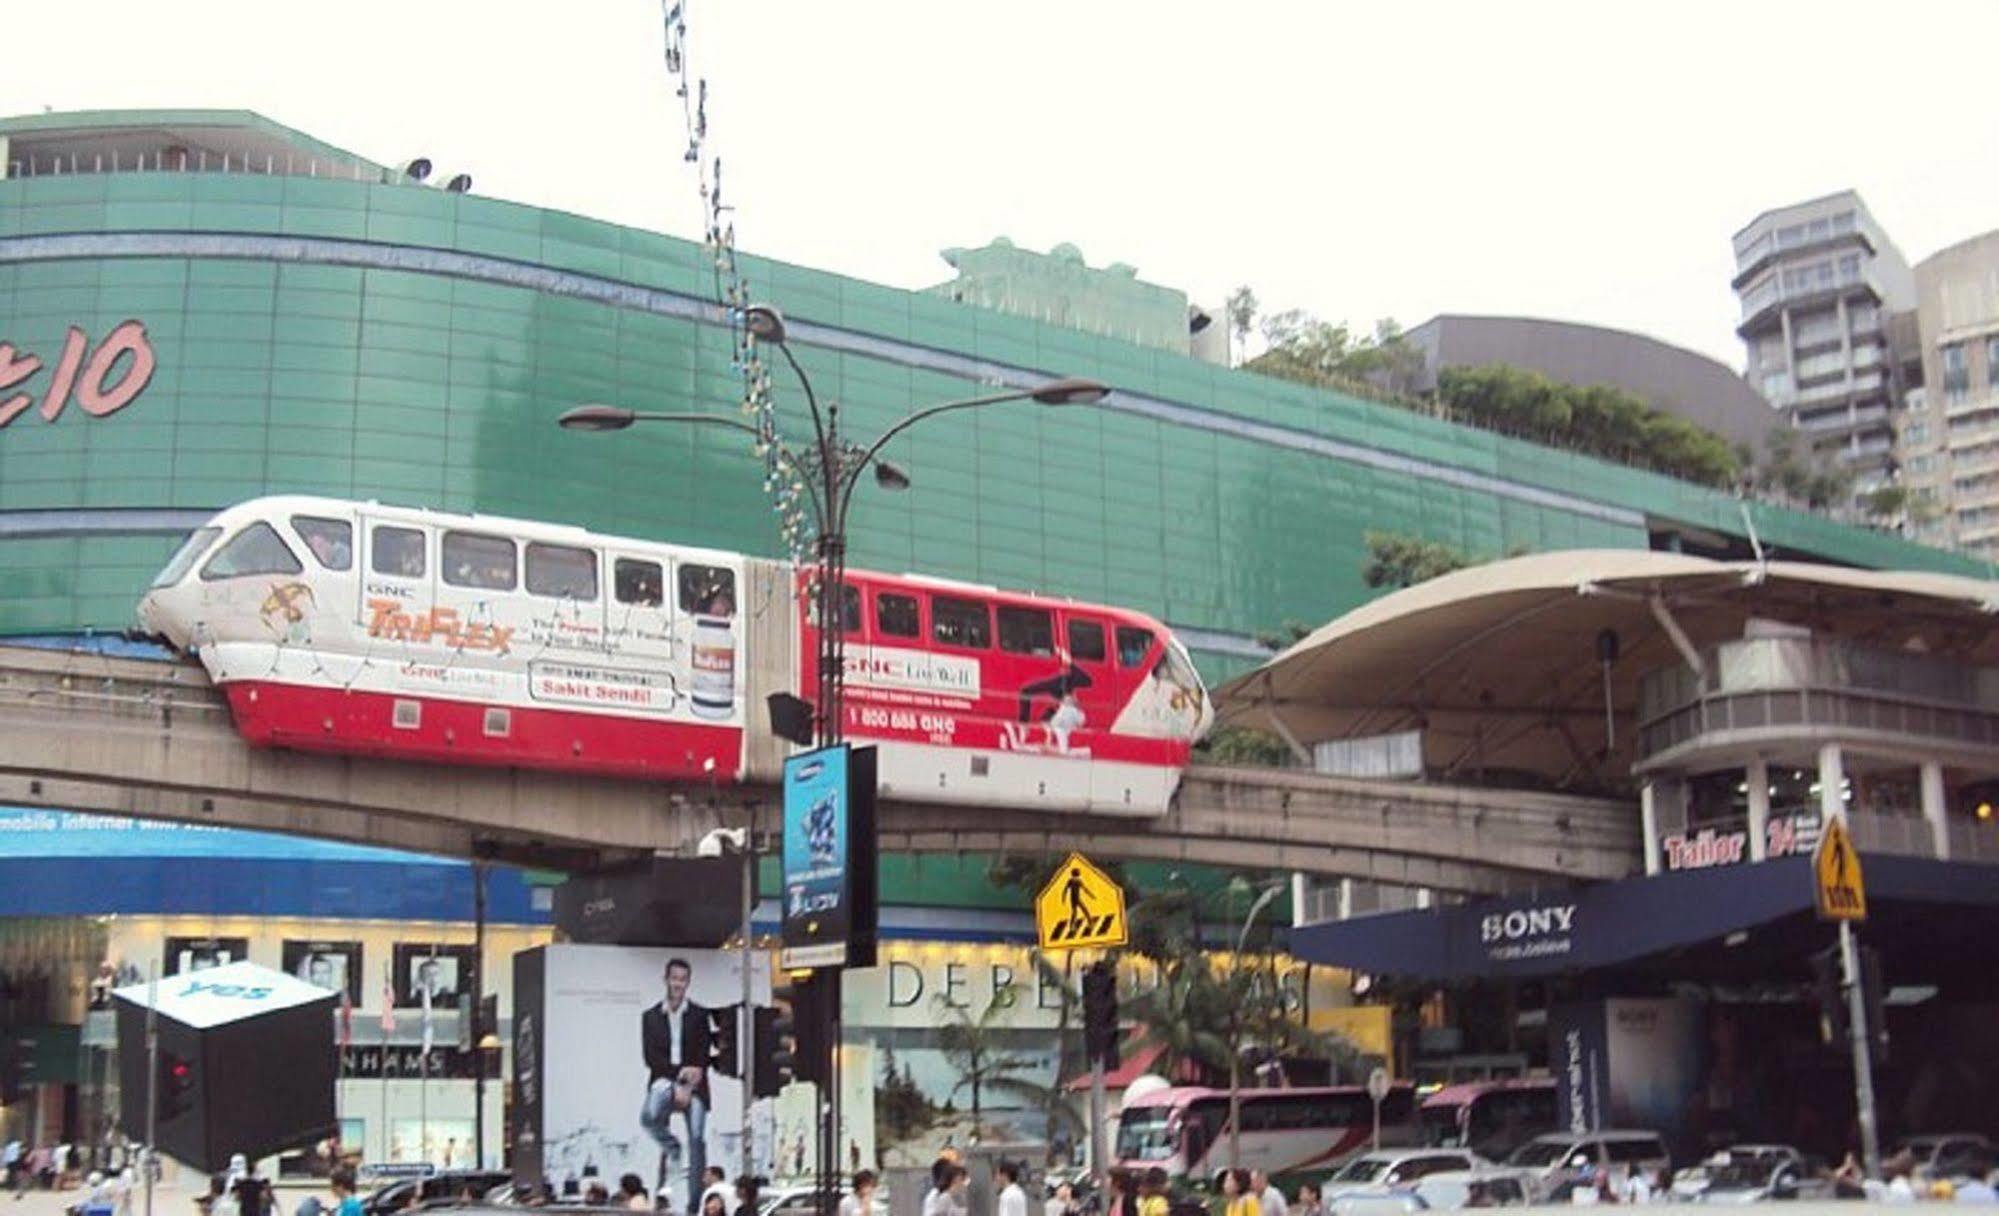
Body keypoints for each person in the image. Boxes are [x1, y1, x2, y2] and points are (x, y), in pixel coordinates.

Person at [640, 958, 711, 1206]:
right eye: (674, 978)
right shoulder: (650, 1017)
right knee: (649, 1114)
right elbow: (652, 1059)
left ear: (688, 982)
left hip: (695, 1087)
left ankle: (695, 1203)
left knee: (698, 1138)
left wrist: (689, 1087)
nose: (678, 984)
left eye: (683, 979)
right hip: (665, 1081)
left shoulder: (700, 1015)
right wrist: (680, 1075)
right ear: (666, 979)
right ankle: (671, 1149)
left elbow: (703, 1057)